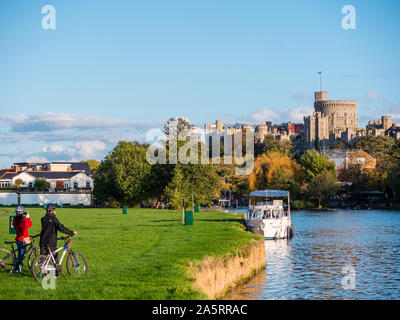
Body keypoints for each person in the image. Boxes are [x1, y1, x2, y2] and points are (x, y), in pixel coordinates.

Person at [39, 204, 77, 274]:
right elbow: (61, 228)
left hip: (42, 241)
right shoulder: (54, 219)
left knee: (44, 258)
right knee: (55, 257)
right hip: (51, 241)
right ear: (52, 211)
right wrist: (71, 232)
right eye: (54, 209)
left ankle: (43, 273)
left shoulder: (43, 219)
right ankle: (56, 273)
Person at [12, 206, 32, 273]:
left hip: (18, 239)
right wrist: (28, 217)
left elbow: (15, 225)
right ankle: (16, 267)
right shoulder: (23, 220)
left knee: (20, 254)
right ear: (22, 212)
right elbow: (29, 225)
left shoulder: (15, 219)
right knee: (22, 255)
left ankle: (18, 267)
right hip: (23, 240)